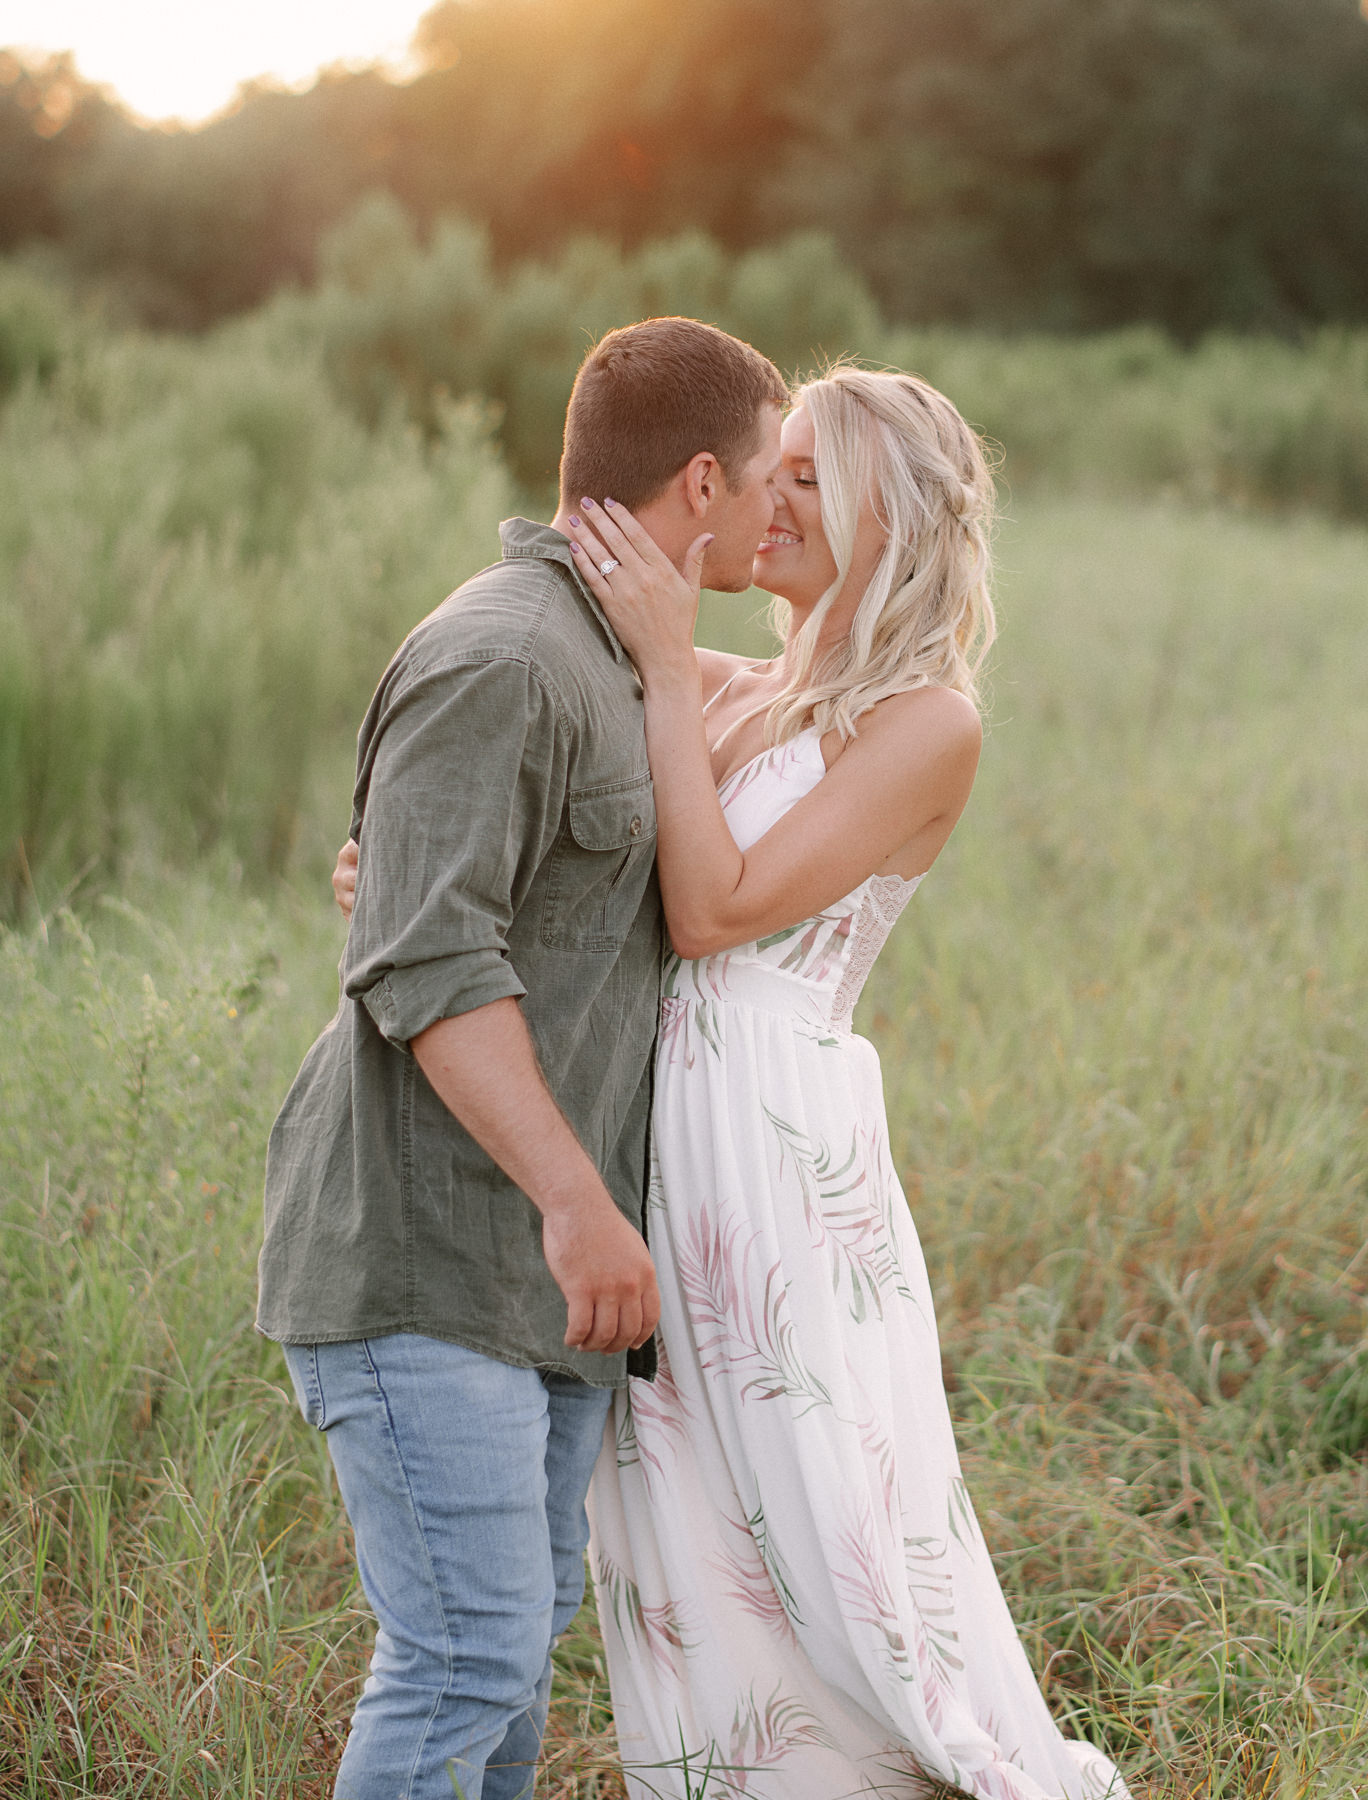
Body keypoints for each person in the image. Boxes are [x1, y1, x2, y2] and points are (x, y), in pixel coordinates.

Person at [564, 367, 1132, 1799]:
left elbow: (711, 909)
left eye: (814, 476)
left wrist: (661, 653)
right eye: (779, 466)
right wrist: (397, 877)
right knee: (680, 1495)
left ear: (889, 515)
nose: (774, 496)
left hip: (770, 1131)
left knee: (817, 1499)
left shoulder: (928, 723)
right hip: (655, 1122)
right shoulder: (739, 685)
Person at [257, 316, 788, 1800]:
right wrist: (576, 1199)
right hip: (432, 1249)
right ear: (699, 485)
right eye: (763, 483)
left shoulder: (630, 659)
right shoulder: (504, 654)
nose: (774, 512)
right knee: (464, 1657)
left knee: (511, 1658)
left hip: (543, 1269)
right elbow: (426, 961)